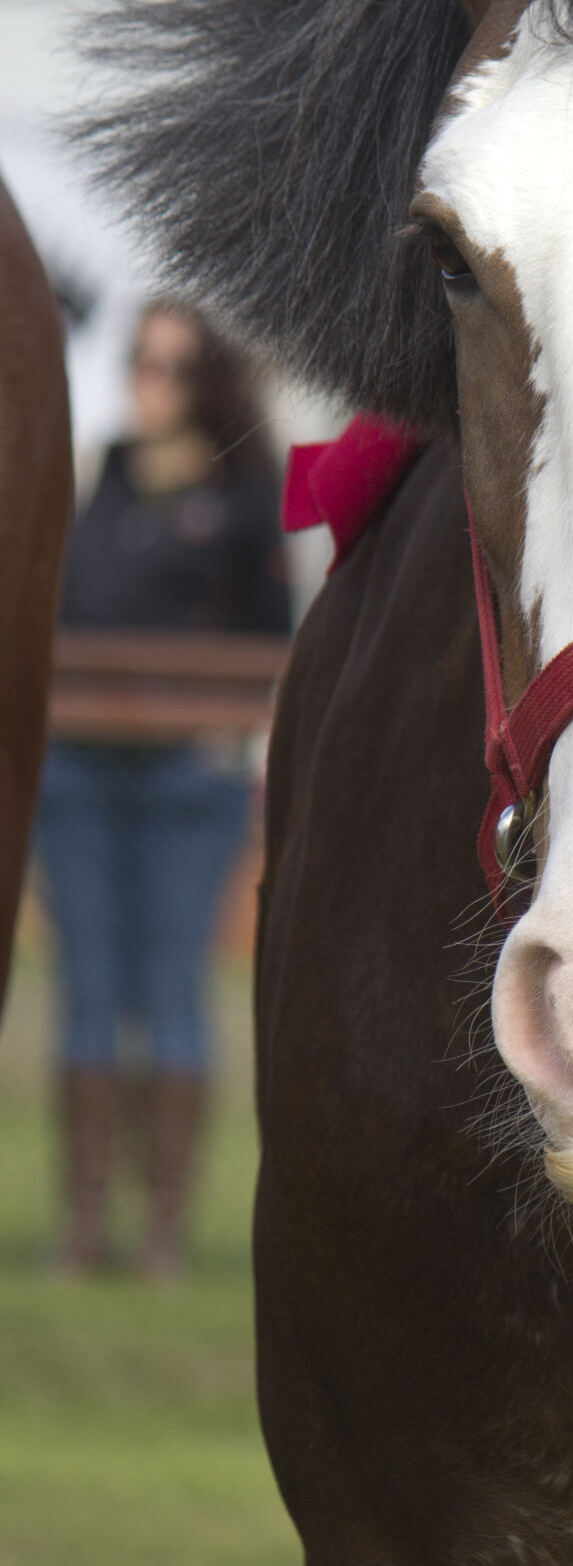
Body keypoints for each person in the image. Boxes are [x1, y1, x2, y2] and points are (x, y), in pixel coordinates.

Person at [34, 301, 290, 1278]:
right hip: (79, 772)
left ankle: (163, 1236)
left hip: (190, 782)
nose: (148, 381)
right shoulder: (94, 479)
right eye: (140, 361)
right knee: (88, 994)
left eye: (172, 367)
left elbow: (275, 634)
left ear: (208, 381)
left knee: (173, 991)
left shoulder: (244, 498)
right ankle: (84, 1227)